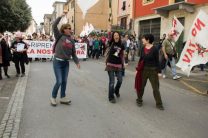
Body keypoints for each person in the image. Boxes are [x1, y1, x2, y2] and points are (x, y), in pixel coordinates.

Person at [51, 13, 80, 106]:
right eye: (68, 28)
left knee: (64, 81)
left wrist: (77, 62)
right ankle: (53, 97)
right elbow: (54, 25)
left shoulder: (71, 40)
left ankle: (63, 97)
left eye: (70, 28)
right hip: (57, 62)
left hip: (66, 63)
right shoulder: (59, 35)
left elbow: (73, 53)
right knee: (59, 81)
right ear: (64, 29)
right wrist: (60, 16)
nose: (70, 30)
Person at [135, 34, 164, 110]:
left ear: (148, 40)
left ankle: (159, 104)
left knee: (155, 88)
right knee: (141, 86)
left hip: (153, 71)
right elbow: (141, 59)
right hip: (143, 70)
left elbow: (157, 61)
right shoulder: (142, 48)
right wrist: (137, 69)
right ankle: (139, 100)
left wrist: (159, 72)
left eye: (143, 38)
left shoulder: (154, 49)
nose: (142, 39)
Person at [105, 31, 125, 103]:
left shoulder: (122, 44)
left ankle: (116, 90)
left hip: (119, 65)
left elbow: (122, 55)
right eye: (114, 35)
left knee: (120, 80)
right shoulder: (111, 43)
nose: (116, 36)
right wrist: (109, 33)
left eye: (117, 35)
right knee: (112, 82)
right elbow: (106, 44)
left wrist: (124, 63)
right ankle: (111, 97)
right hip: (110, 64)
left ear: (119, 36)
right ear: (113, 37)